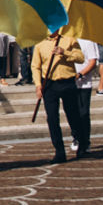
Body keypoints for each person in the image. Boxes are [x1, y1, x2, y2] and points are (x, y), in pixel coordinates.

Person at [31, 31, 86, 164]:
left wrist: (65, 53)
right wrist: (38, 85)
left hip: (67, 82)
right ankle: (59, 151)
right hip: (49, 84)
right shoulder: (39, 43)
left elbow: (80, 58)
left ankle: (82, 144)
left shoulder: (69, 39)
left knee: (73, 116)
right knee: (52, 119)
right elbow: (35, 66)